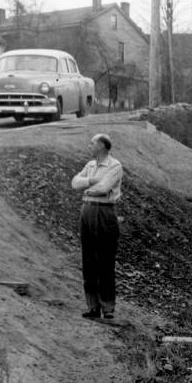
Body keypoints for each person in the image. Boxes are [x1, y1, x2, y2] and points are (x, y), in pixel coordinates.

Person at [71, 133, 124, 320]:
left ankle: (107, 308)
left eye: (92, 143)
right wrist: (91, 182)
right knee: (88, 261)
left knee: (105, 262)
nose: (89, 146)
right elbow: (74, 183)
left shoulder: (115, 166)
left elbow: (104, 189)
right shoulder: (91, 165)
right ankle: (93, 306)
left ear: (102, 145)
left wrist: (87, 186)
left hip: (104, 211)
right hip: (87, 210)